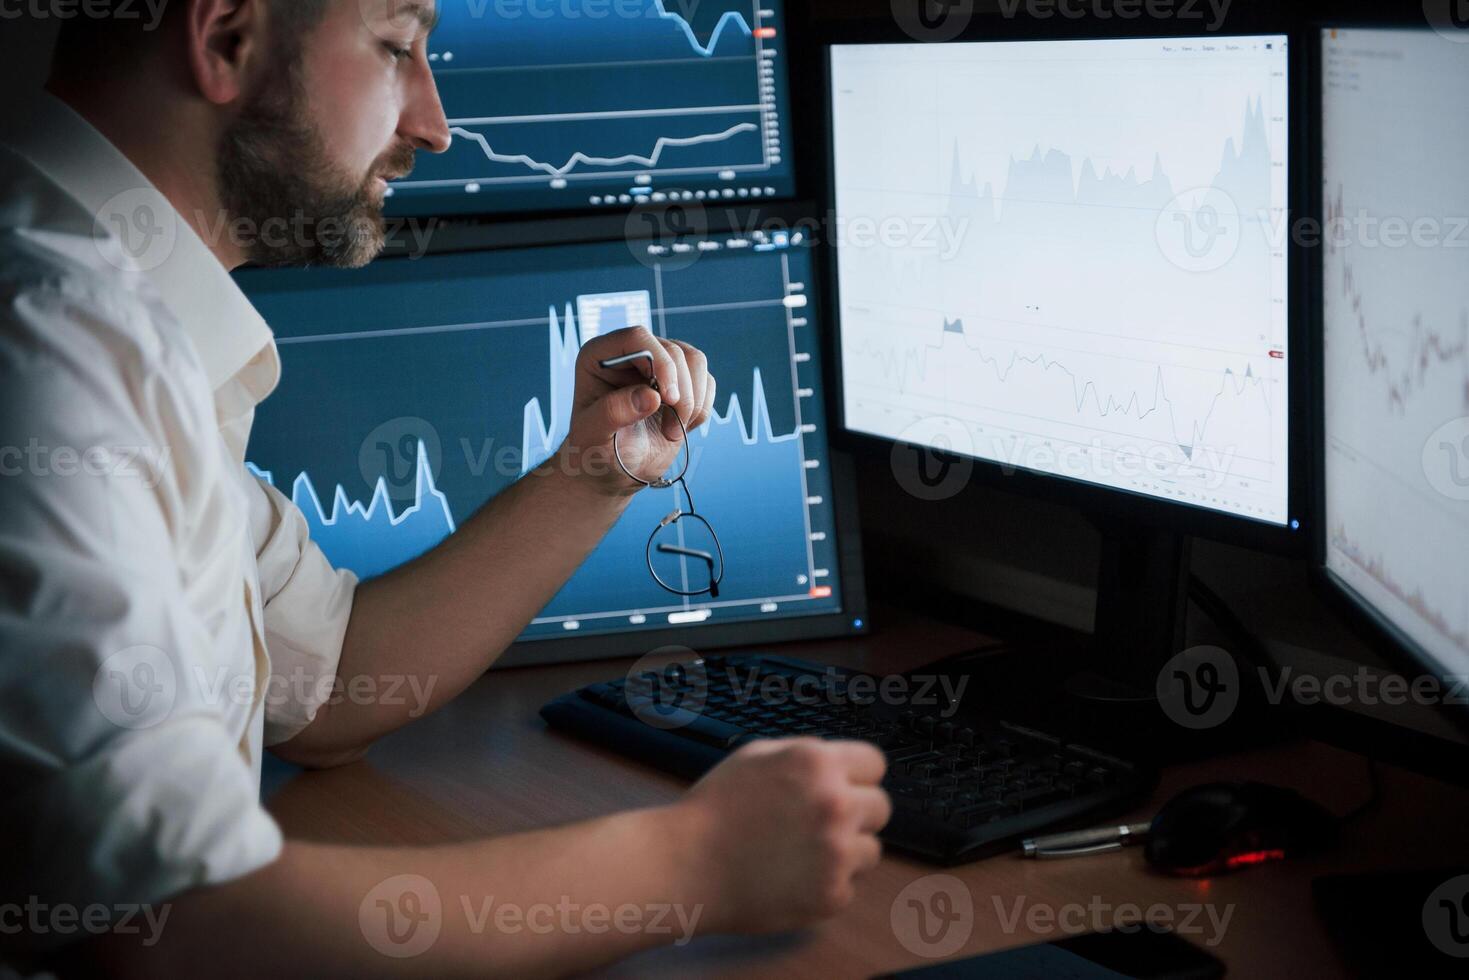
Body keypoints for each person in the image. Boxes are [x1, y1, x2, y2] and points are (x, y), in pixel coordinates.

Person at [0, 1, 890, 975]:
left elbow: (328, 683)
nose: (433, 124)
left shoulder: (116, 315)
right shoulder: (54, 338)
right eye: (395, 47)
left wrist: (591, 475)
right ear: (224, 40)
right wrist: (696, 860)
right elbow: (168, 925)